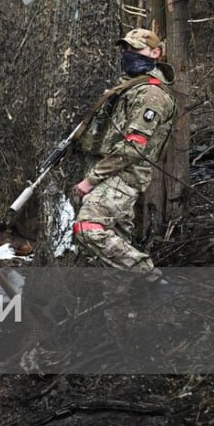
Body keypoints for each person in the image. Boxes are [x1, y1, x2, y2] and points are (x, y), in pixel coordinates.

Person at [71, 28, 177, 273]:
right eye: (127, 49)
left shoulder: (151, 94)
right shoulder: (130, 87)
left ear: (155, 52)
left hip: (123, 176)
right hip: (111, 172)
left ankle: (150, 276)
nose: (129, 54)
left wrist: (91, 179)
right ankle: (125, 305)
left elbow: (134, 145)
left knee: (88, 228)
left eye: (136, 49)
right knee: (112, 251)